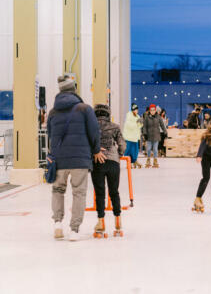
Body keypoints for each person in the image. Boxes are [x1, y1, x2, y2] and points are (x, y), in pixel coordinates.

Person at [47, 75, 105, 241]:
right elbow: (94, 132)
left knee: (58, 190)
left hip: (59, 160)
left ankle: (58, 224)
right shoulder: (84, 109)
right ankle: (74, 230)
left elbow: (51, 135)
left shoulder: (52, 111)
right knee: (78, 193)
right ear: (74, 89)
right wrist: (95, 150)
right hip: (80, 159)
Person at [91, 104, 126, 238]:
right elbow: (122, 144)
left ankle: (101, 222)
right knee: (114, 192)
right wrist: (119, 154)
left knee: (100, 194)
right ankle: (118, 221)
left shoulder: (91, 127)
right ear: (108, 114)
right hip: (113, 162)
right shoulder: (115, 127)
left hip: (97, 162)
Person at [142, 104, 167, 168]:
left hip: (156, 135)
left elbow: (162, 125)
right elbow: (144, 126)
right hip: (149, 136)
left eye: (153, 110)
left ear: (155, 110)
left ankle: (155, 161)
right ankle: (148, 160)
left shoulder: (158, 117)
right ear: (149, 110)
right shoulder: (147, 117)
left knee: (155, 149)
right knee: (149, 149)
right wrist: (145, 134)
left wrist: (165, 132)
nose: (152, 111)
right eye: (151, 110)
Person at [123, 103, 143, 169]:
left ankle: (134, 161)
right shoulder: (129, 115)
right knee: (128, 151)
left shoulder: (137, 116)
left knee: (135, 151)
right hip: (129, 137)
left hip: (135, 137)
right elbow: (129, 125)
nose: (136, 111)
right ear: (132, 110)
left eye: (137, 109)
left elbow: (139, 126)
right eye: (135, 109)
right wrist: (136, 123)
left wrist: (140, 123)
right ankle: (129, 163)